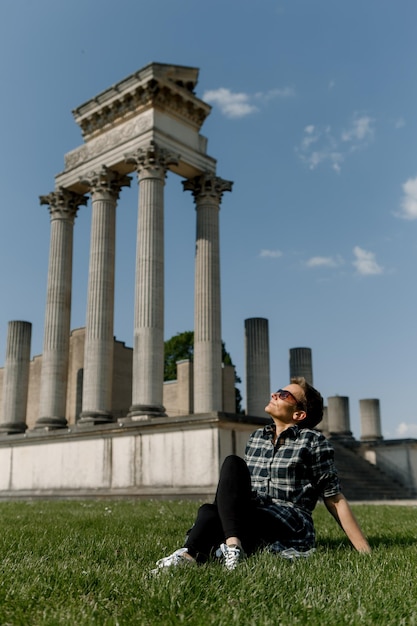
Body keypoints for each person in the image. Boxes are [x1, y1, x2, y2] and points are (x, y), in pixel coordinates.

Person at [152, 377, 371, 572]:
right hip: (254, 513)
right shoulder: (257, 437)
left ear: (299, 414)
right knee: (215, 499)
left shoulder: (313, 441)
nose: (275, 395)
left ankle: (225, 547)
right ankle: (192, 555)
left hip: (287, 520)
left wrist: (364, 551)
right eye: (277, 391)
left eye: (284, 395)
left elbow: (334, 499)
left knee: (218, 513)